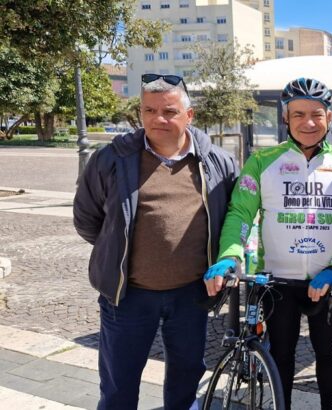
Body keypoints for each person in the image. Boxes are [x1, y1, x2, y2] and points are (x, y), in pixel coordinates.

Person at [73, 74, 239, 410]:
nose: (158, 119)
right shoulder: (111, 159)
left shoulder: (217, 162)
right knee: (119, 384)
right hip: (128, 295)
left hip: (191, 295)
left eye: (169, 111)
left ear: (189, 116)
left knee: (186, 376)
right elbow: (87, 220)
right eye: (149, 110)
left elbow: (230, 220)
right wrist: (116, 253)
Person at [202, 77, 332, 410]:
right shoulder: (262, 163)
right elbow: (240, 216)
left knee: (327, 350)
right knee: (282, 354)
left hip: (327, 282)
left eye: (317, 114)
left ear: (329, 118)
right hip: (277, 282)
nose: (309, 123)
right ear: (285, 118)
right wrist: (230, 255)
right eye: (299, 114)